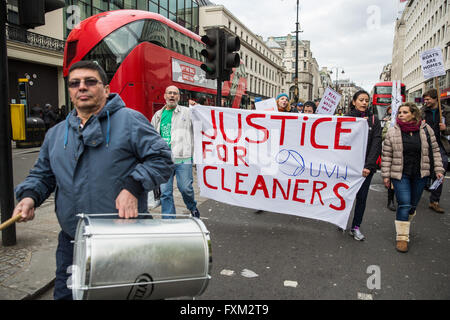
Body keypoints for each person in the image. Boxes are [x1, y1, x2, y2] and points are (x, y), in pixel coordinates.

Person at [12, 61, 174, 300]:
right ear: (69, 90)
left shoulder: (131, 121)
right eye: (75, 83)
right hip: (73, 240)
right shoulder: (56, 133)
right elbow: (43, 175)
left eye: (90, 82)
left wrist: (133, 186)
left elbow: (162, 158)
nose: (82, 88)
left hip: (123, 240)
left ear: (106, 89)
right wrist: (29, 196)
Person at [381, 102, 444, 253]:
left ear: (414, 114)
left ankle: (403, 222)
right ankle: (402, 237)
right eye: (400, 112)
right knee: (404, 203)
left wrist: (439, 169)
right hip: (400, 173)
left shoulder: (426, 130)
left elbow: (435, 151)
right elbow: (387, 155)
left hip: (420, 173)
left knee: (413, 206)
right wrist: (386, 176)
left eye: (405, 112)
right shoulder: (393, 131)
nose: (401, 115)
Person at [151, 85, 200, 219]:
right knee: (165, 193)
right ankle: (168, 221)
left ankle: (192, 207)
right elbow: (152, 135)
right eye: (170, 93)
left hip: (183, 158)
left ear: (179, 97)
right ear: (165, 96)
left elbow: (201, 120)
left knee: (185, 189)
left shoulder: (187, 112)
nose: (172, 96)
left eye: (175, 93)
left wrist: (197, 107)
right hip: (164, 160)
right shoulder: (158, 115)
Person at [344, 90, 382, 240]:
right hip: (347, 166)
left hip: (365, 168)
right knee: (345, 195)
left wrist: (369, 165)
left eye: (367, 100)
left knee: (362, 198)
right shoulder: (346, 119)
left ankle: (355, 227)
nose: (364, 103)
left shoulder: (374, 120)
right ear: (354, 102)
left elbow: (376, 143)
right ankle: (340, 220)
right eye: (361, 100)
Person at [421, 89, 450, 213]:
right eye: (425, 99)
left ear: (435, 99)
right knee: (423, 170)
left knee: (440, 173)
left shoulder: (447, 111)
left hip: (440, 146)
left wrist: (446, 128)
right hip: (425, 145)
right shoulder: (422, 111)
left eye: (428, 99)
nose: (426, 102)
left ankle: (435, 201)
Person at [381, 105, 396, 211]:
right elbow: (383, 135)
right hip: (393, 154)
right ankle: (390, 200)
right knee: (392, 178)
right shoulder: (389, 123)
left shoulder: (417, 126)